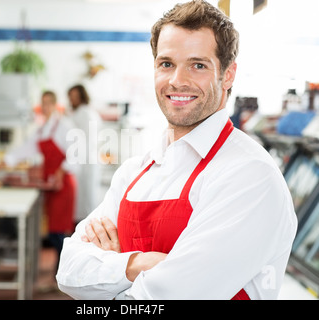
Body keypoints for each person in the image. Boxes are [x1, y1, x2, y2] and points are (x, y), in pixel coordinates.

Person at [56, 0, 297, 300]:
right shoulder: (134, 171)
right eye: (166, 63)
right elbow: (67, 271)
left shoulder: (249, 175)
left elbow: (168, 297)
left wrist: (109, 274)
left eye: (198, 65)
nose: (177, 81)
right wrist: (138, 264)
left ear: (229, 74)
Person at [4, 90, 78, 274]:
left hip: (63, 186)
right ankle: (59, 274)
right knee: (54, 232)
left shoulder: (64, 126)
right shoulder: (42, 130)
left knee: (58, 233)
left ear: (54, 104)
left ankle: (66, 273)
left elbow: (76, 154)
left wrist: (61, 171)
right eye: (42, 103)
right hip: (50, 187)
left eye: (48, 103)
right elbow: (25, 149)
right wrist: (6, 161)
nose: (44, 107)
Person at [68, 84, 102, 224]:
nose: (72, 99)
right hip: (89, 159)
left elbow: (75, 139)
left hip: (84, 160)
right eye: (71, 96)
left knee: (84, 198)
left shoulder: (83, 113)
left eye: (75, 96)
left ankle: (83, 227)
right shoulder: (89, 112)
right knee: (87, 197)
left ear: (82, 96)